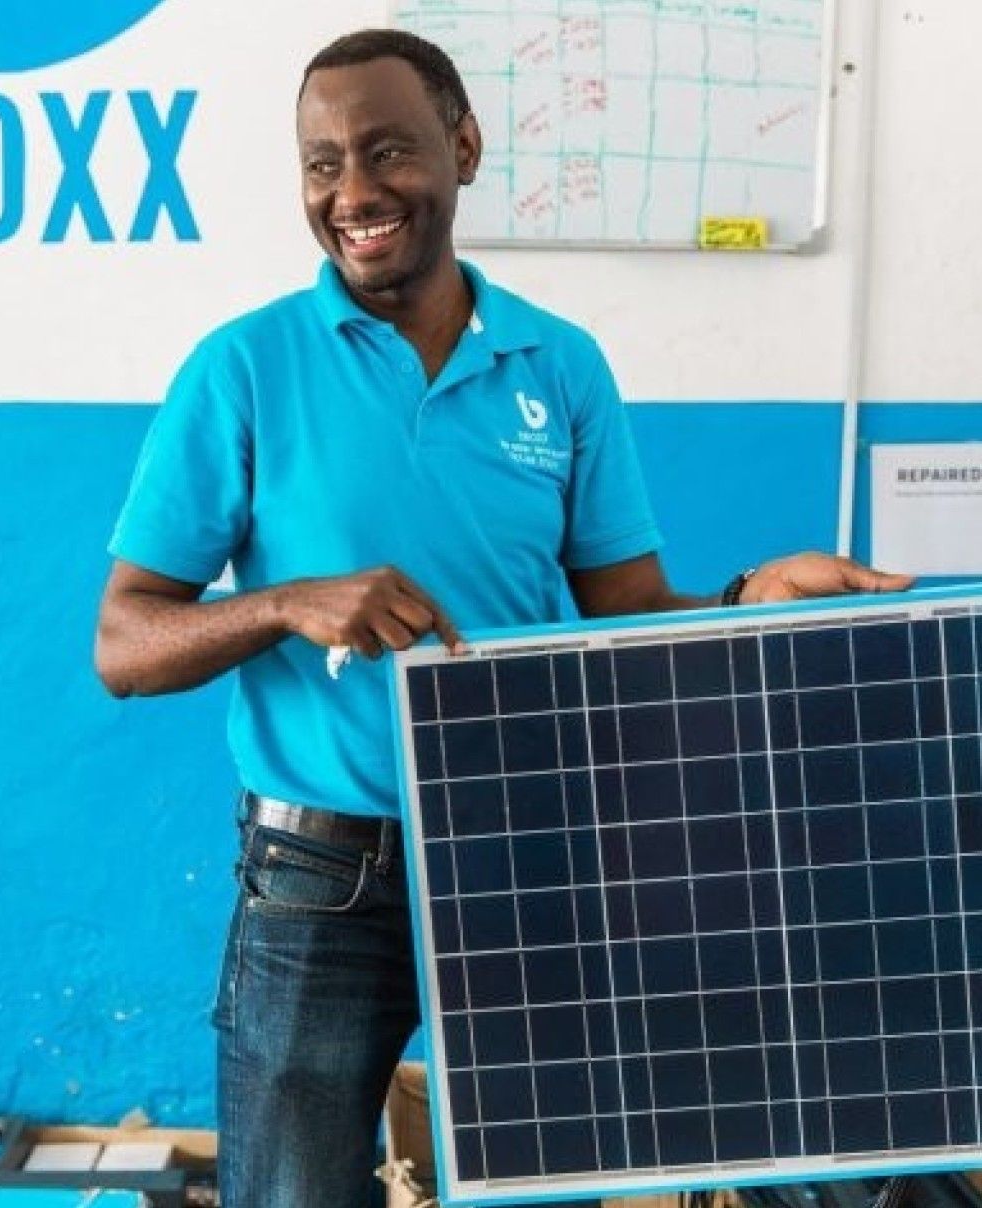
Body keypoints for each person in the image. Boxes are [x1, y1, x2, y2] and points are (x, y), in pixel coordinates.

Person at [95, 28, 912, 1208]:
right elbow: (122, 642)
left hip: (527, 848)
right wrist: (281, 603)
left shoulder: (560, 366)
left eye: (386, 151)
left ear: (464, 147)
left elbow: (625, 612)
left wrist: (742, 602)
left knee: (542, 1185)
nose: (354, 192)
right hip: (316, 870)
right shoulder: (241, 368)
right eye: (321, 164)